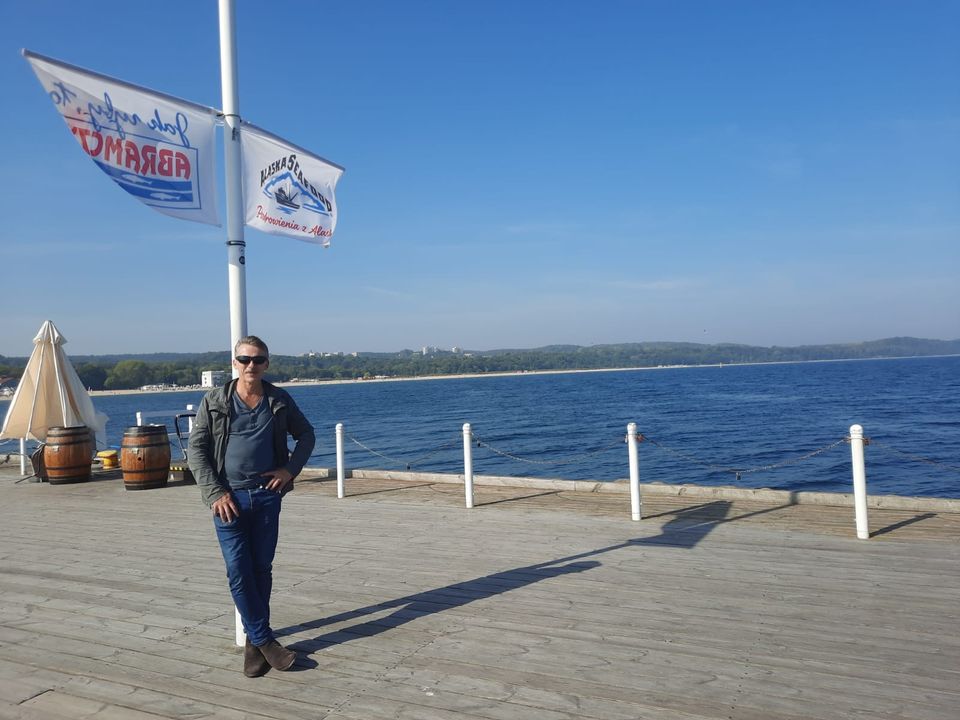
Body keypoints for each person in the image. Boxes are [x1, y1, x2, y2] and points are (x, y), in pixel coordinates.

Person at [189, 335, 316, 677]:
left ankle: (253, 647)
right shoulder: (215, 400)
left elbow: (307, 435)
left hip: (265, 497)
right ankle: (265, 640)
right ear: (235, 362)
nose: (251, 366)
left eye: (258, 360)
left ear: (266, 364)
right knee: (238, 570)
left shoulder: (279, 399)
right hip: (226, 499)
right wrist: (215, 492)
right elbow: (196, 450)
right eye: (244, 359)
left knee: (261, 568)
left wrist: (289, 471)